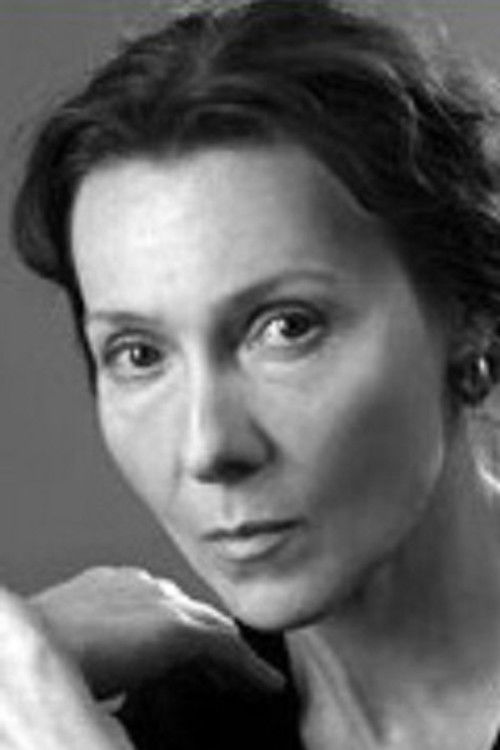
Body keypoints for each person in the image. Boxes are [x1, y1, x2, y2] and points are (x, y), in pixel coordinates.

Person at [9, 0, 500, 747]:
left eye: (287, 328)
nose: (208, 447)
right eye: (139, 354)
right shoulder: (170, 726)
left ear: (470, 313)